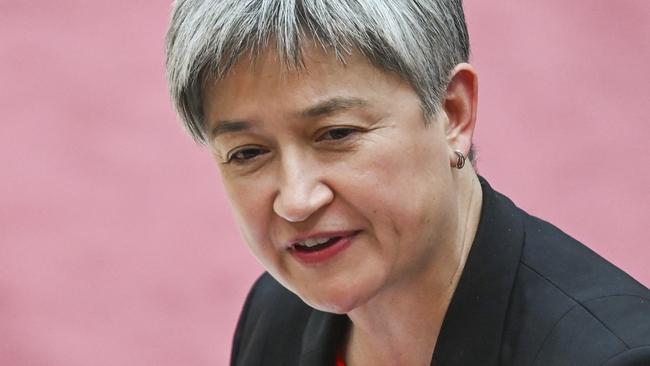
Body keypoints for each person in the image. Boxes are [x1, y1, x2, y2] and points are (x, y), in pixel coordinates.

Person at [165, 1, 650, 365]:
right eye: (248, 153)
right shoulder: (275, 314)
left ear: (453, 114)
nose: (295, 200)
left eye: (337, 134)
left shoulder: (610, 355)